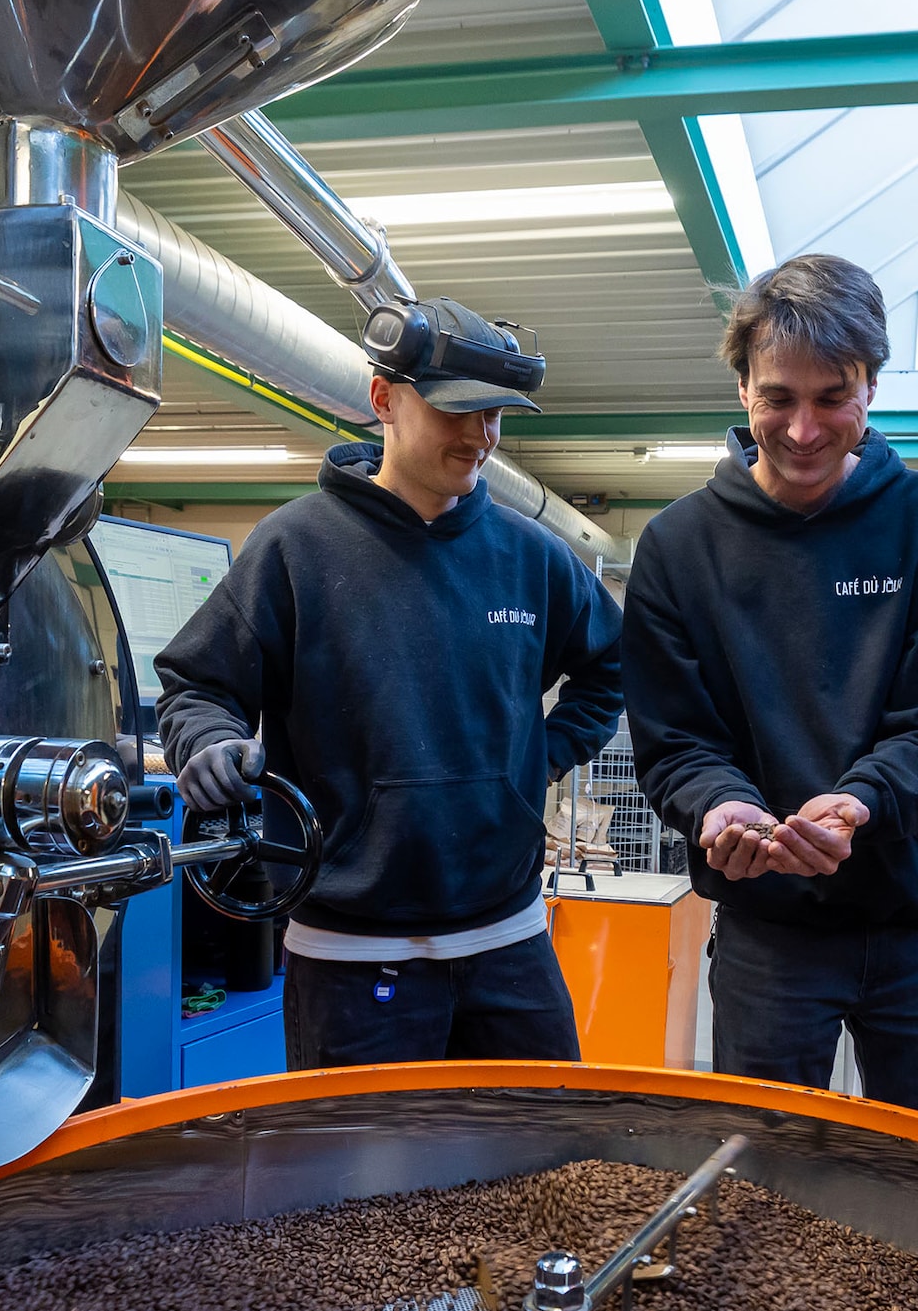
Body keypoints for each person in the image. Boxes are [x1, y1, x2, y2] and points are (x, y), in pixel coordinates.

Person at [156, 298, 622, 1070]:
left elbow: (612, 666)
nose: (480, 437)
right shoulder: (295, 548)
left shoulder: (533, 557)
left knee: (540, 1144)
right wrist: (206, 741)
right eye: (456, 412)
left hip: (509, 944)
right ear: (384, 399)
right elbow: (197, 685)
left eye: (494, 416)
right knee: (360, 1157)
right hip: (349, 955)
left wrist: (537, 759)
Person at [621, 254, 918, 1119]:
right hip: (769, 931)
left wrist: (860, 804)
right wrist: (720, 805)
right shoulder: (679, 548)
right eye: (778, 398)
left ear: (872, 387)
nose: (801, 429)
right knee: (761, 1165)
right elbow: (676, 741)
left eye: (833, 397)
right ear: (743, 388)